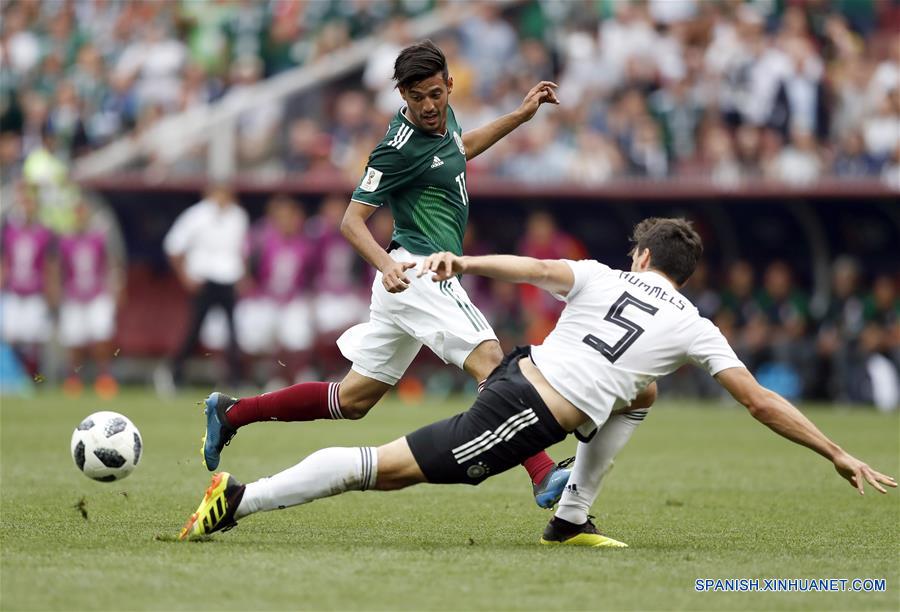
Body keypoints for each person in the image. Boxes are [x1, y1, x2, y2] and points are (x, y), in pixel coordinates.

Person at [179, 218, 896, 545]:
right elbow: (761, 400)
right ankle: (240, 499)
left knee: (640, 390)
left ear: (642, 255)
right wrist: (833, 449)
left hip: (526, 377)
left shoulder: (601, 274)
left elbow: (533, 268)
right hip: (524, 410)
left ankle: (571, 512)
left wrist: (468, 263)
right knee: (384, 471)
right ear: (681, 273)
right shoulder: (696, 326)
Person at [197, 40, 644, 508]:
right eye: (417, 98)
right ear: (402, 96)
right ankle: (543, 473)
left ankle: (232, 412)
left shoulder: (445, 120)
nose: (429, 106)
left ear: (449, 84)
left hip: (409, 280)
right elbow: (351, 222)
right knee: (491, 358)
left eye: (435, 93)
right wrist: (389, 266)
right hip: (418, 270)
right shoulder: (395, 149)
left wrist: (519, 116)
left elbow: (459, 149)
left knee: (352, 400)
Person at [155, 183, 248, 393]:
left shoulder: (238, 216)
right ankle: (173, 372)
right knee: (194, 331)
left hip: (228, 278)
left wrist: (243, 275)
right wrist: (185, 276)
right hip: (204, 280)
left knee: (233, 331)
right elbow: (173, 246)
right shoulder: (196, 216)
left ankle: (234, 379)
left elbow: (240, 249)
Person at [57, 199, 124, 398]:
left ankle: (104, 377)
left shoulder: (99, 238)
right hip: (73, 294)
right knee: (74, 339)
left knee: (101, 336)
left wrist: (117, 286)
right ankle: (74, 379)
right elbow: (58, 268)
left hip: (97, 293)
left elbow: (112, 263)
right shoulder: (66, 241)